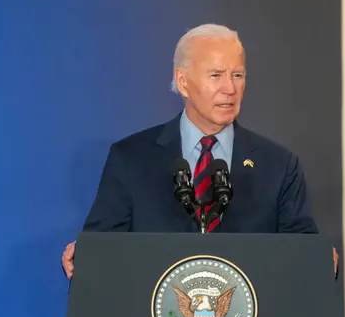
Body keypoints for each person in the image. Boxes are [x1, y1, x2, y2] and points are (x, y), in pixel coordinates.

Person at [61, 23, 318, 279]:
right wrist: (88, 256)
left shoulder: (279, 166)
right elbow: (102, 252)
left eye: (238, 75)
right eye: (216, 75)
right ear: (183, 82)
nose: (230, 88)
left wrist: (319, 260)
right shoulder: (130, 159)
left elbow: (304, 258)